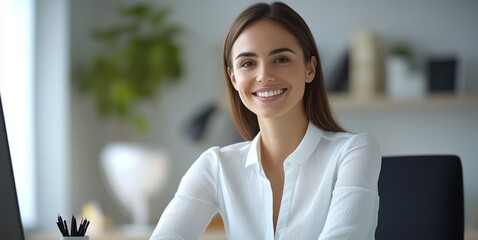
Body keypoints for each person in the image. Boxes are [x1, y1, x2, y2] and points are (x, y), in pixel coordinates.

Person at [150, 2, 381, 239]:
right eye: (248, 63)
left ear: (310, 68)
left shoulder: (353, 152)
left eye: (281, 59)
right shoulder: (216, 166)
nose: (264, 76)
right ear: (233, 78)